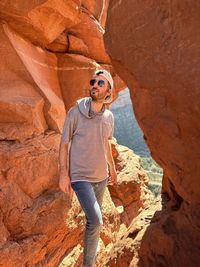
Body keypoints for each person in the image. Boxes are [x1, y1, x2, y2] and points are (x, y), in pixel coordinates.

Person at [59, 69, 117, 267]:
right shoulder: (75, 112)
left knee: (94, 220)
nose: (95, 85)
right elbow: (64, 143)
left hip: (101, 177)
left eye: (101, 83)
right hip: (80, 177)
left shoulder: (109, 116)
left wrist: (113, 168)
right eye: (93, 81)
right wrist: (63, 174)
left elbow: (106, 143)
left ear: (109, 90)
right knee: (97, 221)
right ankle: (88, 263)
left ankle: (91, 249)